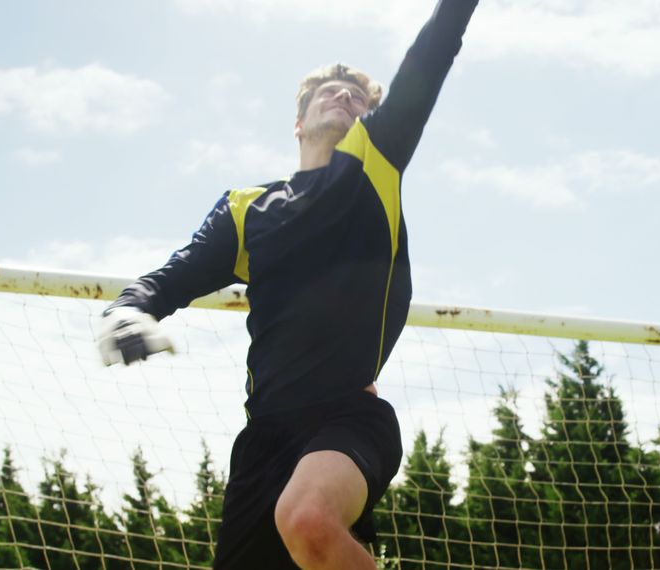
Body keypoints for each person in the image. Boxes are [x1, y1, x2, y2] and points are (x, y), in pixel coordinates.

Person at [95, 1, 478, 567]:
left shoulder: (375, 164)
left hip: (349, 419)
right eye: (329, 90)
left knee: (308, 518)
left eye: (357, 96)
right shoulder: (247, 209)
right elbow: (170, 278)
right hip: (263, 442)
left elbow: (435, 50)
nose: (343, 96)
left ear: (371, 119)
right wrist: (128, 311)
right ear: (298, 122)